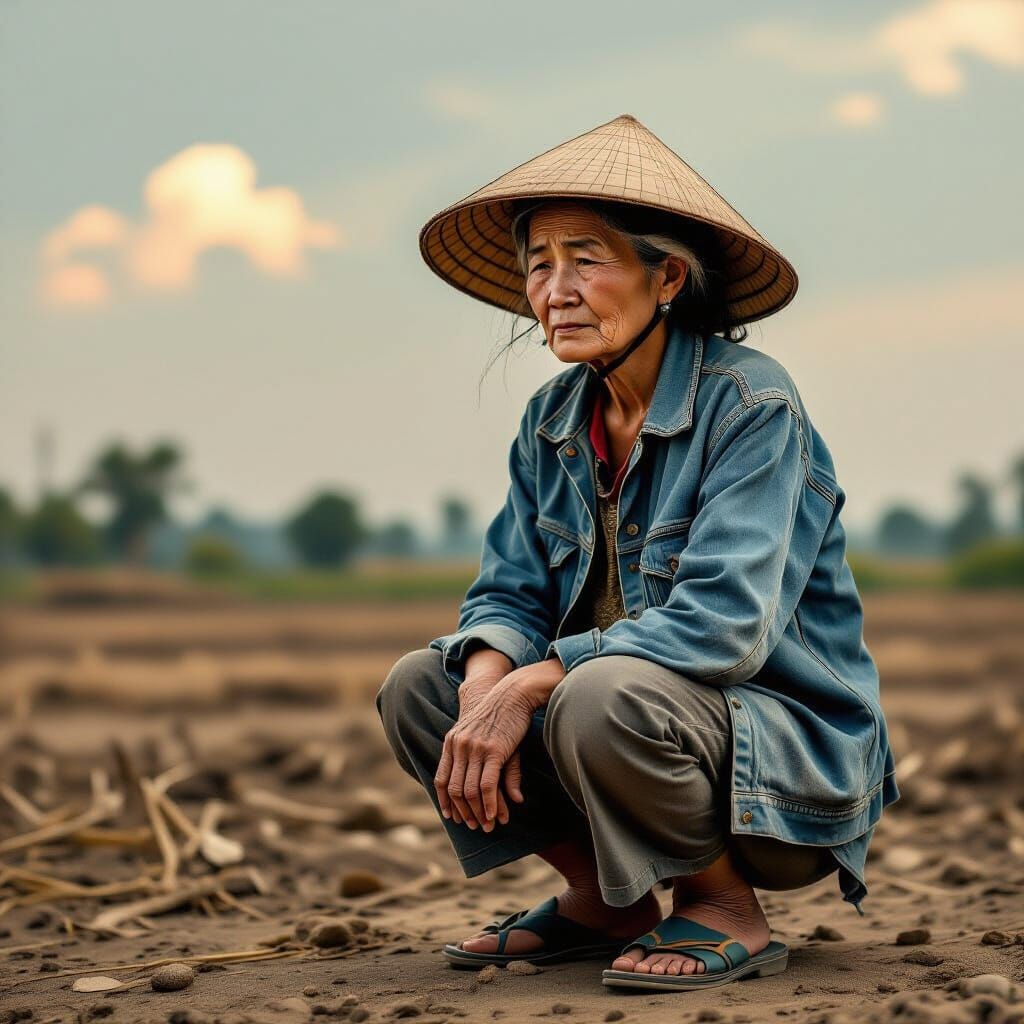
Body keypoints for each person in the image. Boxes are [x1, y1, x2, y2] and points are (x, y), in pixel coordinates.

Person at [376, 113, 899, 993]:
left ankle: (724, 904)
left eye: (587, 258)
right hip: (623, 733)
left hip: (776, 768)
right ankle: (603, 898)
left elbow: (726, 627)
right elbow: (508, 593)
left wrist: (533, 682)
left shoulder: (752, 407)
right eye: (539, 262)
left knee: (592, 689)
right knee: (420, 687)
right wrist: (480, 695)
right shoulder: (552, 419)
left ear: (667, 279)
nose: (556, 287)